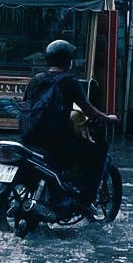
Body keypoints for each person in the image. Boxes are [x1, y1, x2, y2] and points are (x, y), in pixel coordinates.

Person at [19, 38, 119, 215]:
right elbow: (89, 110)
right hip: (57, 141)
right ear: (68, 61)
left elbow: (26, 106)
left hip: (29, 137)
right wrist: (108, 118)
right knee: (99, 148)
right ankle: (86, 200)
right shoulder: (70, 82)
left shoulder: (36, 80)